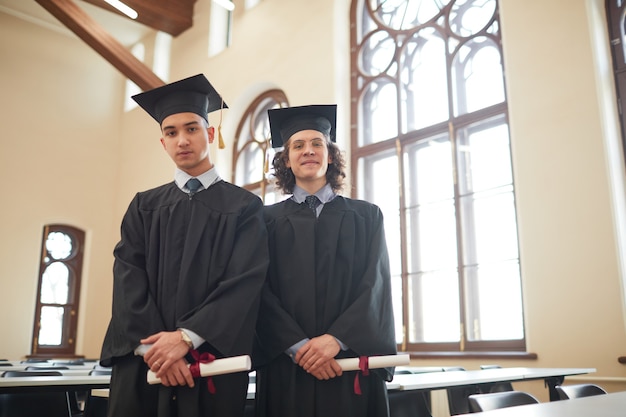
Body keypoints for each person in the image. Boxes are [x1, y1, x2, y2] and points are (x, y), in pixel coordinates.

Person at [100, 74, 269, 417]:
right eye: (172, 132)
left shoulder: (244, 208)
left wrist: (187, 338)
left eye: (192, 129)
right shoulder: (144, 206)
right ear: (162, 142)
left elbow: (244, 282)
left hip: (210, 361)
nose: (182, 140)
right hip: (145, 363)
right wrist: (158, 351)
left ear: (209, 134)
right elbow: (127, 278)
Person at [254, 104, 396, 417]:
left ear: (330, 156)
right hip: (287, 367)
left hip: (347, 363)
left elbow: (376, 286)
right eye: (298, 145)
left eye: (317, 143)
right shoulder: (264, 221)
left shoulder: (366, 216)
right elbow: (258, 292)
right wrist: (299, 347)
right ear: (286, 160)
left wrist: (336, 340)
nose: (308, 151)